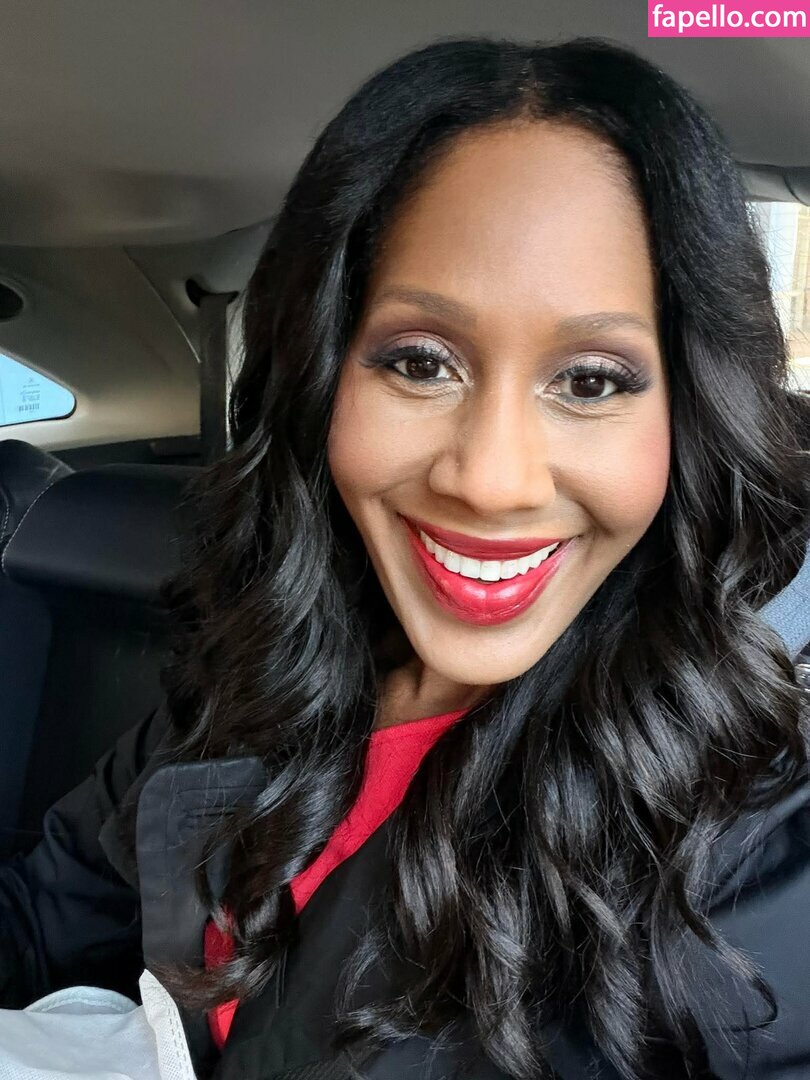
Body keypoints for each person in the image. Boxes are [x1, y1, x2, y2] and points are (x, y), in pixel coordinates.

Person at [0, 35, 808, 1080]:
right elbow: (38, 920)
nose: (493, 481)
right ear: (323, 377)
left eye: (593, 380)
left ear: (689, 413)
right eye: (420, 363)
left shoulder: (754, 833)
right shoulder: (246, 680)